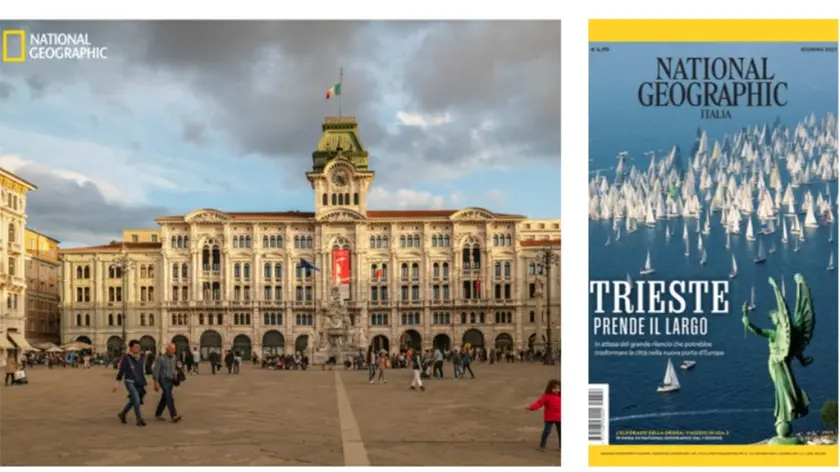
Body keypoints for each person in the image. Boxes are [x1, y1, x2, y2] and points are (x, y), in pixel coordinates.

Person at [113, 340, 148, 426]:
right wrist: (116, 384)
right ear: (131, 348)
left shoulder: (141, 357)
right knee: (136, 399)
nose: (138, 349)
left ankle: (122, 414)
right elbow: (121, 371)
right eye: (136, 347)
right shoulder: (126, 358)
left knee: (133, 401)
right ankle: (139, 419)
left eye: (139, 347)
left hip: (139, 382)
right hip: (129, 381)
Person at [527, 379, 561, 452]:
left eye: (558, 388)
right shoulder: (547, 396)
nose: (556, 390)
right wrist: (531, 407)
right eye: (554, 388)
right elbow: (539, 403)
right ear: (550, 388)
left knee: (561, 432)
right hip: (549, 417)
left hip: (560, 418)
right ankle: (542, 446)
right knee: (546, 432)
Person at [152, 343, 182, 423]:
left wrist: (176, 371)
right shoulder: (160, 359)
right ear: (167, 349)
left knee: (165, 397)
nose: (173, 351)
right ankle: (173, 415)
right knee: (169, 396)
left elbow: (176, 366)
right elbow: (156, 371)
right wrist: (156, 383)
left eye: (174, 350)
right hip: (163, 380)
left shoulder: (174, 358)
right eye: (171, 349)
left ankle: (158, 413)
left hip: (171, 380)